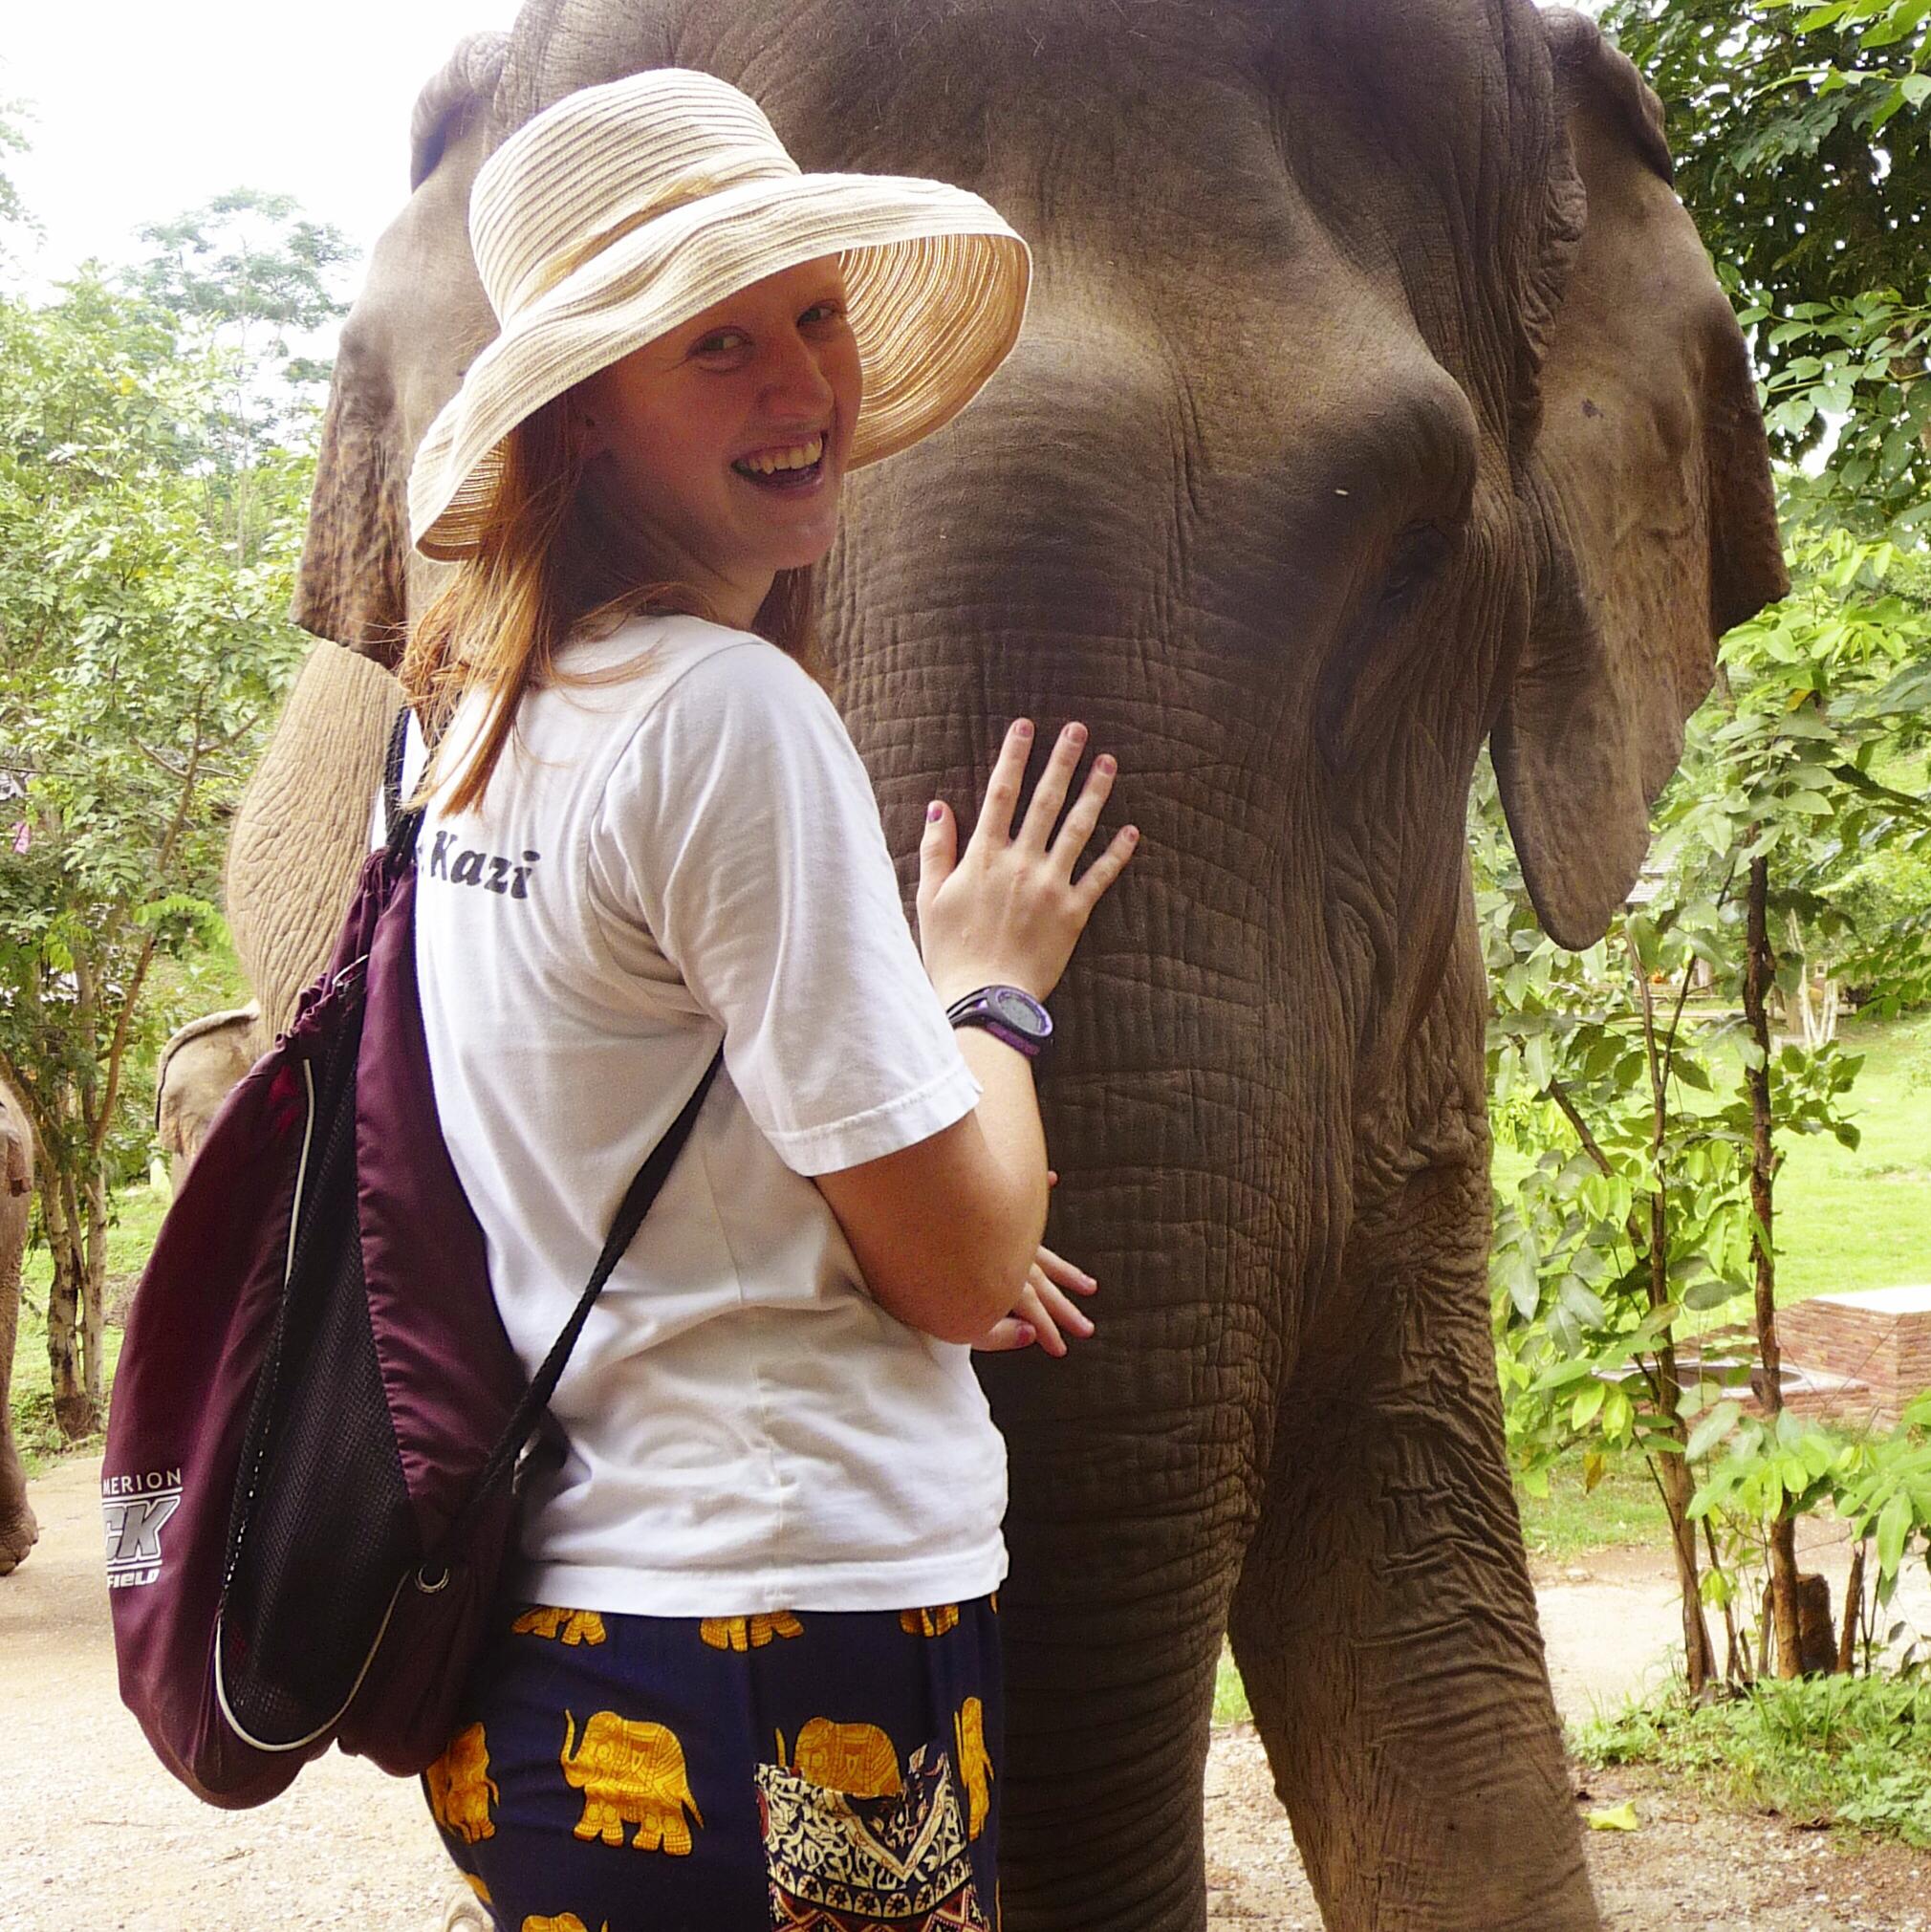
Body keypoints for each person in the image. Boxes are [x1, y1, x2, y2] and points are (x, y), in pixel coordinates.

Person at [391, 69, 1138, 1930]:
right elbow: (963, 1273)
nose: (802, 383)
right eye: (714, 344)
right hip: (787, 1640)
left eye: (811, 312)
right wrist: (987, 998)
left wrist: (911, 1166)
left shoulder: (480, 728)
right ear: (579, 418)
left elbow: (646, 1118)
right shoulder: (728, 721)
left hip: (557, 1654)